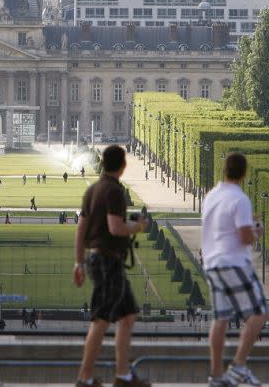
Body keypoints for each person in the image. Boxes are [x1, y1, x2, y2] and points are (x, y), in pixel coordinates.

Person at [74, 145, 150, 387]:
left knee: (127, 315)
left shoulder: (93, 190)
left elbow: (81, 230)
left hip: (100, 259)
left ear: (102, 163)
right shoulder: (114, 191)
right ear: (123, 166)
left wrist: (78, 262)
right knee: (102, 319)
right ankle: (84, 379)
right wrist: (138, 227)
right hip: (107, 261)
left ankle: (123, 375)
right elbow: (115, 227)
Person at [201, 152, 267, 387]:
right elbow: (244, 236)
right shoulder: (240, 199)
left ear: (224, 170)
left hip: (212, 263)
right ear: (244, 173)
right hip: (233, 262)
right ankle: (238, 366)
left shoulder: (211, 196)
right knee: (258, 313)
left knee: (220, 319)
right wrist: (256, 232)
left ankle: (217, 375)